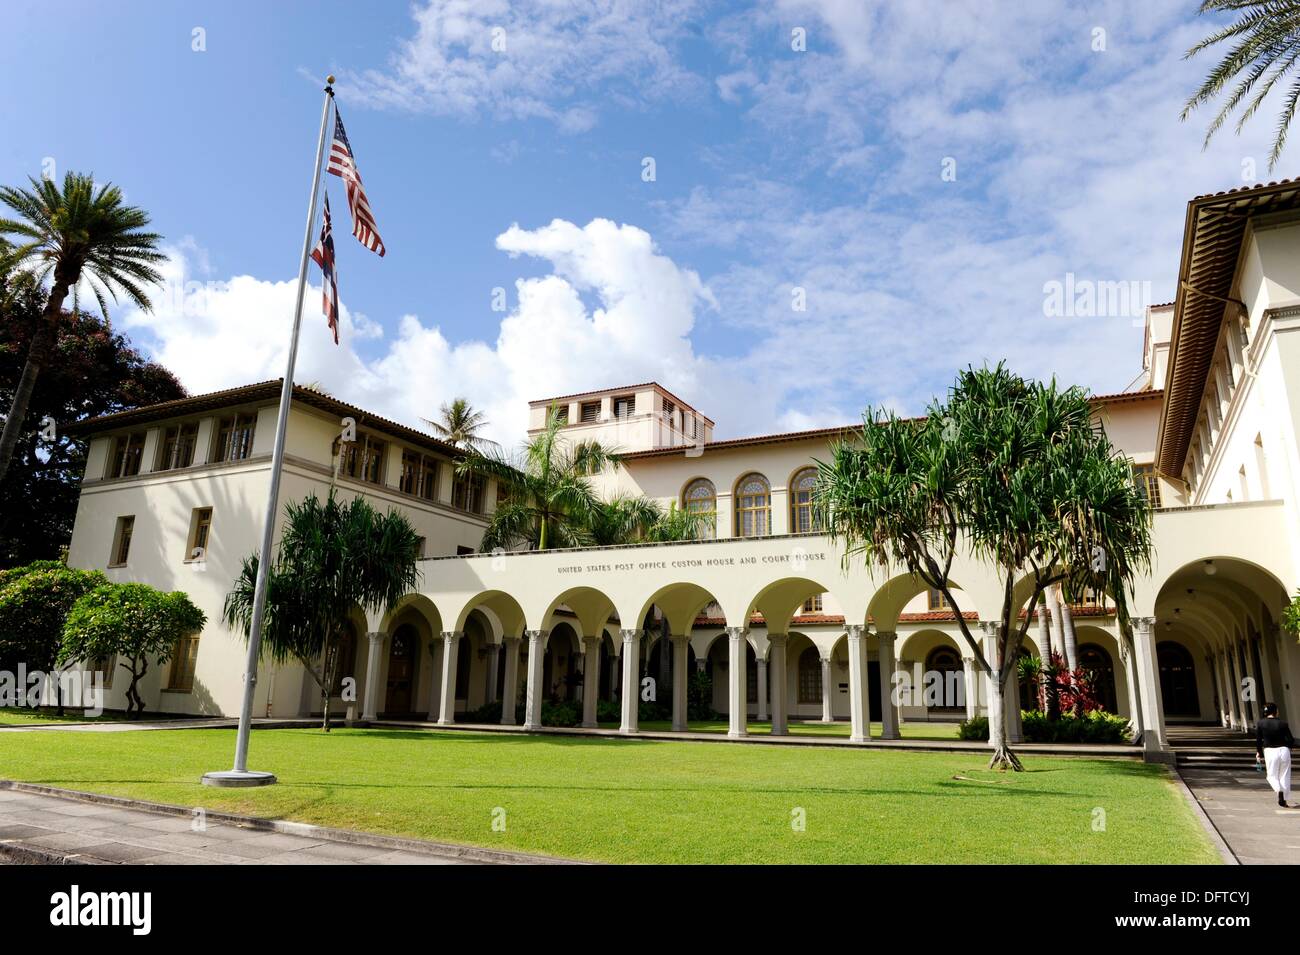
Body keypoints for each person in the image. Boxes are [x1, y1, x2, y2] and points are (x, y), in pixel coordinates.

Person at [1255, 702, 1295, 808]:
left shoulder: (1261, 723)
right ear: (1275, 711)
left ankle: (1279, 790)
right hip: (1284, 750)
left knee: (1271, 775)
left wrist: (1259, 753)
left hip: (1270, 751)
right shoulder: (1283, 723)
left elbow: (1258, 740)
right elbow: (1291, 739)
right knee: (1285, 775)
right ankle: (1284, 800)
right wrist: (1288, 748)